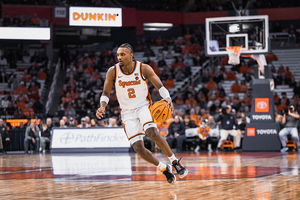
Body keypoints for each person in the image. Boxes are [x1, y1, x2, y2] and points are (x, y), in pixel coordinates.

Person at [96, 43, 188, 185]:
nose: (119, 57)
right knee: (138, 148)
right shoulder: (112, 71)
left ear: (131, 55)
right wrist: (102, 106)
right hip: (127, 113)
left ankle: (175, 161)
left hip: (143, 106)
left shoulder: (143, 68)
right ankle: (164, 168)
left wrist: (167, 98)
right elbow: (105, 93)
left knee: (152, 132)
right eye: (118, 55)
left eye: (122, 54)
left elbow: (159, 85)